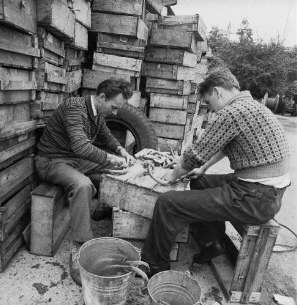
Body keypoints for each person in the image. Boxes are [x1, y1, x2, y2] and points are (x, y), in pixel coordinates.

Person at [142, 68, 290, 277]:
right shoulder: (252, 106)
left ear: (217, 92)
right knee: (200, 181)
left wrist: (172, 176)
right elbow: (222, 145)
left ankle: (153, 267)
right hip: (267, 192)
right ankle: (212, 242)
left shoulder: (231, 112)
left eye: (209, 102)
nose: (210, 108)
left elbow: (194, 155)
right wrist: (203, 168)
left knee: (167, 204)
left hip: (255, 197)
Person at [35, 78, 135, 285]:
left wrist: (121, 151)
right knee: (83, 185)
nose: (115, 113)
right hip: (52, 160)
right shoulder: (74, 108)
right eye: (113, 107)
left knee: (120, 169)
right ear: (100, 97)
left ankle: (106, 206)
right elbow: (81, 147)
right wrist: (110, 157)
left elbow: (107, 137)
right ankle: (80, 245)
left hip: (74, 160)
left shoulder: (97, 113)